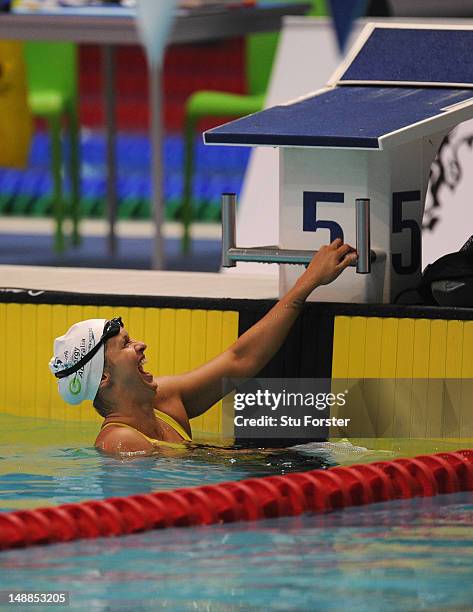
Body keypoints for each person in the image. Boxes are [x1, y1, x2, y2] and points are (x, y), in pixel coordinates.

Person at [49, 239, 357, 455]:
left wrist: (309, 280)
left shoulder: (164, 400)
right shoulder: (122, 443)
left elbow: (240, 360)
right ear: (103, 378)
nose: (141, 345)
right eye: (126, 344)